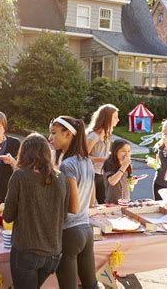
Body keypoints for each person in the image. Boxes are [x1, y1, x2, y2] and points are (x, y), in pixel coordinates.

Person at [4, 133, 69, 288]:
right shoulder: (61, 178)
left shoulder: (19, 176)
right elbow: (64, 215)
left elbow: (8, 216)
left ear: (23, 153)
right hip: (53, 253)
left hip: (27, 251)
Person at [49, 116, 97, 289]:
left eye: (54, 133)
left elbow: (73, 207)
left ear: (68, 134)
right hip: (86, 231)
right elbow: (91, 200)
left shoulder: (67, 165)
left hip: (69, 233)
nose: (50, 138)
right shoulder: (87, 161)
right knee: (91, 284)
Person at [86, 104, 119, 205]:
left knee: (104, 202)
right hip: (91, 174)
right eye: (115, 117)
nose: (118, 120)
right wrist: (103, 159)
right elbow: (82, 157)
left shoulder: (108, 134)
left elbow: (103, 152)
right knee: (91, 204)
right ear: (107, 118)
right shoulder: (94, 136)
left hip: (102, 173)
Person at [103, 140, 139, 204]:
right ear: (115, 151)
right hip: (112, 202)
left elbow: (126, 181)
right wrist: (124, 166)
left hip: (126, 200)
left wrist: (132, 181)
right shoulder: (109, 163)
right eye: (123, 151)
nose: (127, 154)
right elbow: (112, 181)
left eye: (129, 151)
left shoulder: (126, 164)